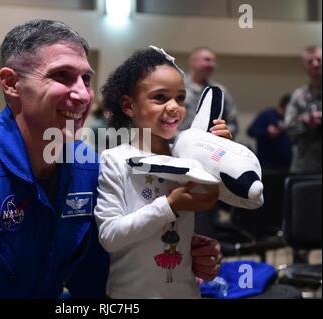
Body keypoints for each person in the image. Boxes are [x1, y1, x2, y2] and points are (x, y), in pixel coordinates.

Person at [0, 20, 221, 299]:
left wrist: (177, 251)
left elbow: (100, 271)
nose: (83, 95)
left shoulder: (88, 166)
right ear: (11, 83)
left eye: (86, 78)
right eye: (62, 76)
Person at [94, 47, 230, 298]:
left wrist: (220, 154)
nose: (174, 107)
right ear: (129, 105)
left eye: (180, 98)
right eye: (160, 98)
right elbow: (110, 235)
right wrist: (168, 205)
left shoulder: (187, 159)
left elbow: (213, 197)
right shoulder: (115, 159)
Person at [179, 47, 238, 139]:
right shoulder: (177, 85)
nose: (211, 64)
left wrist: (222, 134)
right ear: (192, 62)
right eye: (207, 60)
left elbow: (232, 123)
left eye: (214, 61)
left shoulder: (219, 91)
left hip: (208, 145)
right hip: (175, 143)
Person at [284, 46, 322, 175]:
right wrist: (305, 121)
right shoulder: (299, 96)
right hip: (306, 167)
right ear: (304, 67)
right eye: (310, 61)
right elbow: (288, 126)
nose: (315, 64)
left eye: (319, 59)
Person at [247, 94, 293, 173]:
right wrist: (266, 132)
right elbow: (251, 131)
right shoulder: (267, 115)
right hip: (268, 165)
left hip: (287, 165)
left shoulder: (291, 119)